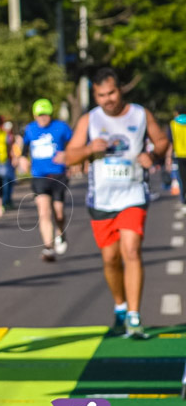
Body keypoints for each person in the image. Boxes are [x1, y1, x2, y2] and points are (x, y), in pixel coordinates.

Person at [65, 68, 169, 338]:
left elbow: (161, 141)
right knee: (111, 258)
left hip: (133, 194)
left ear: (120, 89)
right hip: (102, 198)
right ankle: (120, 307)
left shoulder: (140, 114)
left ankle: (134, 316)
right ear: (95, 96)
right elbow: (68, 157)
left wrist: (153, 156)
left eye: (111, 92)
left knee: (131, 250)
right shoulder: (90, 119)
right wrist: (89, 149)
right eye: (101, 95)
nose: (107, 99)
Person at [18, 99, 74, 262]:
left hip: (58, 175)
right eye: (39, 115)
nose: (43, 118)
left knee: (58, 212)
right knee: (44, 212)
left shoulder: (61, 127)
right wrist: (22, 158)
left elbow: (73, 144)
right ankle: (48, 248)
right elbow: (25, 147)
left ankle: (60, 232)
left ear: (50, 114)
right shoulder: (30, 129)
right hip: (39, 175)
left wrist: (69, 156)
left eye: (45, 115)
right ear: (35, 115)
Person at [170, 109, 186, 203]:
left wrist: (168, 156)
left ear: (176, 112)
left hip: (179, 154)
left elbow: (171, 140)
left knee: (182, 178)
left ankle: (184, 199)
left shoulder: (173, 124)